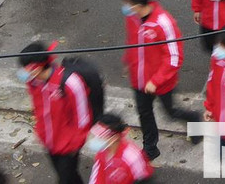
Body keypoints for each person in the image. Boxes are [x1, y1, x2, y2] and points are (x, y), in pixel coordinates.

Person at [121, 0, 200, 161]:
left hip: (162, 82)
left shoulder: (163, 23)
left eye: (128, 4)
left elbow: (174, 57)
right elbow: (132, 43)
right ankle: (150, 148)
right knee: (145, 113)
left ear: (138, 5)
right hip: (138, 80)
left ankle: (194, 119)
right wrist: (128, 61)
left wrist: (155, 80)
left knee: (171, 112)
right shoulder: (132, 18)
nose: (126, 8)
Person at [17, 42, 97, 184]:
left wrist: (75, 143)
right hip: (49, 142)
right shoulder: (34, 83)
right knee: (68, 176)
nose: (23, 73)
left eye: (26, 69)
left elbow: (83, 117)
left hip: (68, 147)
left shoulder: (70, 83)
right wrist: (42, 133)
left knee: (65, 179)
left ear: (37, 67)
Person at [86, 114, 154, 184]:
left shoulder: (132, 158)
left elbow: (143, 178)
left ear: (115, 137)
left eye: (100, 137)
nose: (96, 139)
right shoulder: (101, 153)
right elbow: (97, 177)